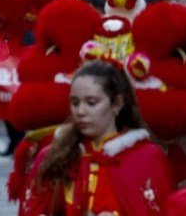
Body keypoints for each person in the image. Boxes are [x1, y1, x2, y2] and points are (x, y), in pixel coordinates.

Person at [21, 60, 176, 215]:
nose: (80, 111)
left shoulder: (147, 158)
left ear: (117, 104)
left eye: (91, 103)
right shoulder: (52, 156)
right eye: (75, 103)